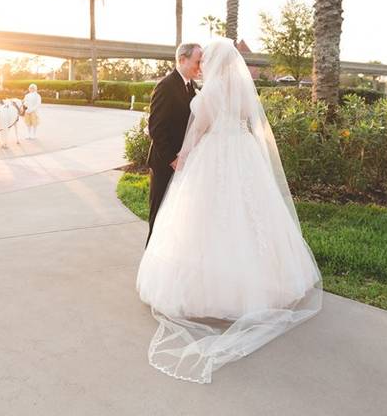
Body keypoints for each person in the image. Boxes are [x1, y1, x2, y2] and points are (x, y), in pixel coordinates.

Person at [136, 38, 322, 383]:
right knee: (251, 218)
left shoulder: (208, 93)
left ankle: (212, 290)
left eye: (205, 60)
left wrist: (185, 159)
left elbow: (197, 133)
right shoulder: (243, 91)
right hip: (244, 157)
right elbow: (251, 125)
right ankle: (266, 283)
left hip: (214, 158)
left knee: (206, 221)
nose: (201, 64)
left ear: (214, 63)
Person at [145, 43, 201, 246]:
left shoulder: (191, 86)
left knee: (173, 218)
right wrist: (173, 160)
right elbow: (156, 129)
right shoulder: (166, 85)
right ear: (183, 59)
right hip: (165, 164)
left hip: (183, 163)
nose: (200, 66)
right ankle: (149, 262)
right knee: (158, 214)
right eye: (197, 61)